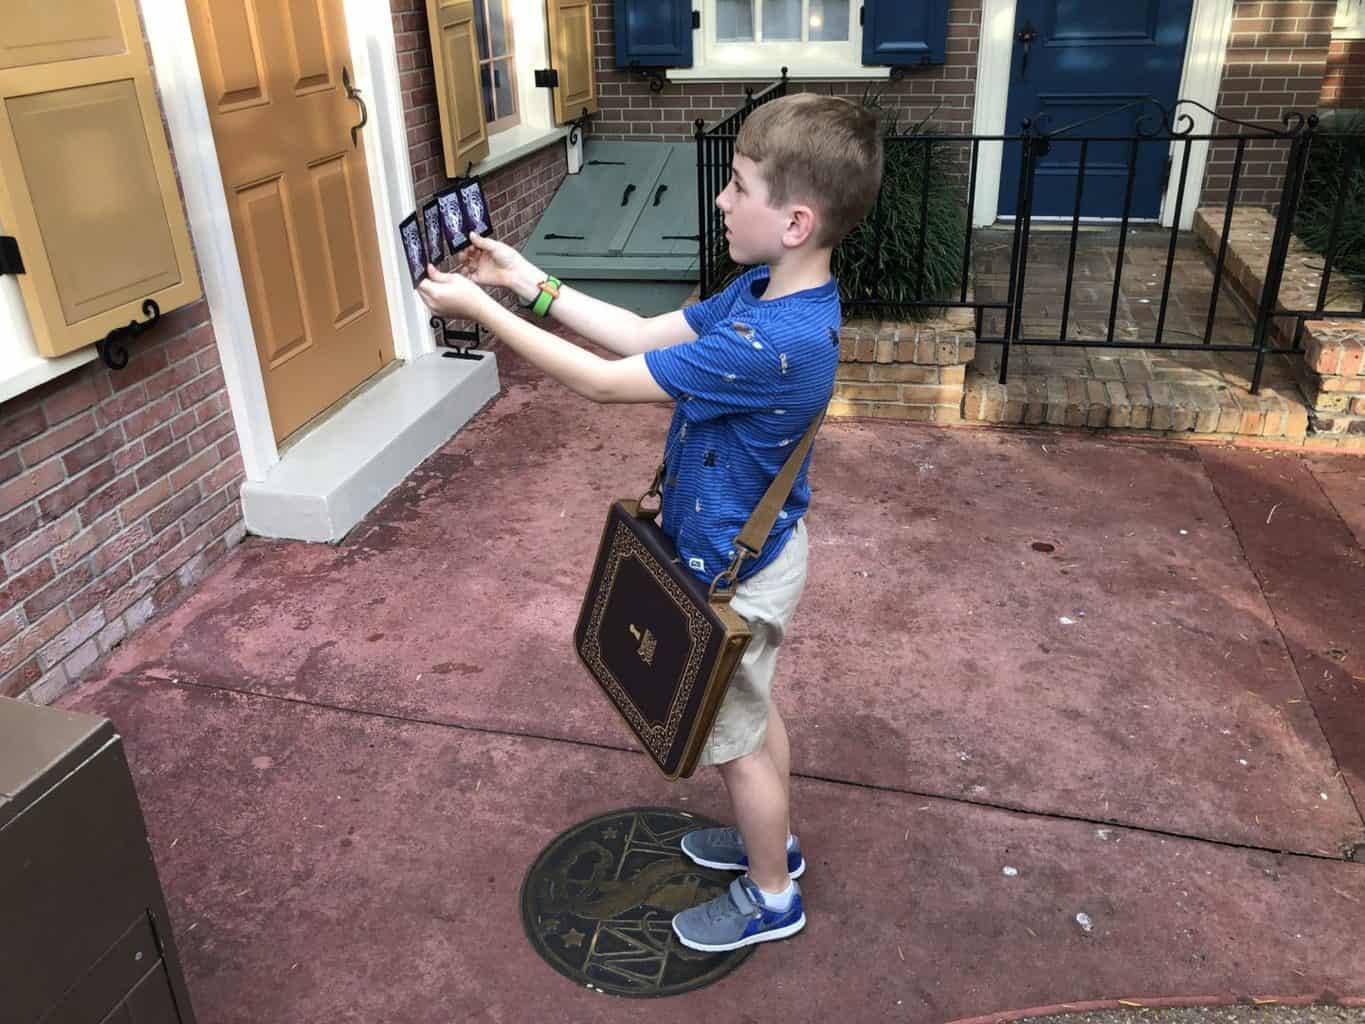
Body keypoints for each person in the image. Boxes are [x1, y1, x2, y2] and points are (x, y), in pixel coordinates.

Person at [418, 92, 883, 951]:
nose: (720, 199)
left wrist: (483, 316)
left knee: (735, 743)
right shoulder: (762, 295)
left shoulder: (771, 342)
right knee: (752, 708)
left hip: (731, 574)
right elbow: (634, 334)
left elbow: (601, 383)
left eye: (738, 186)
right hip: (751, 555)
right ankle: (769, 841)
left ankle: (771, 897)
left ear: (794, 221)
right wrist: (524, 280)